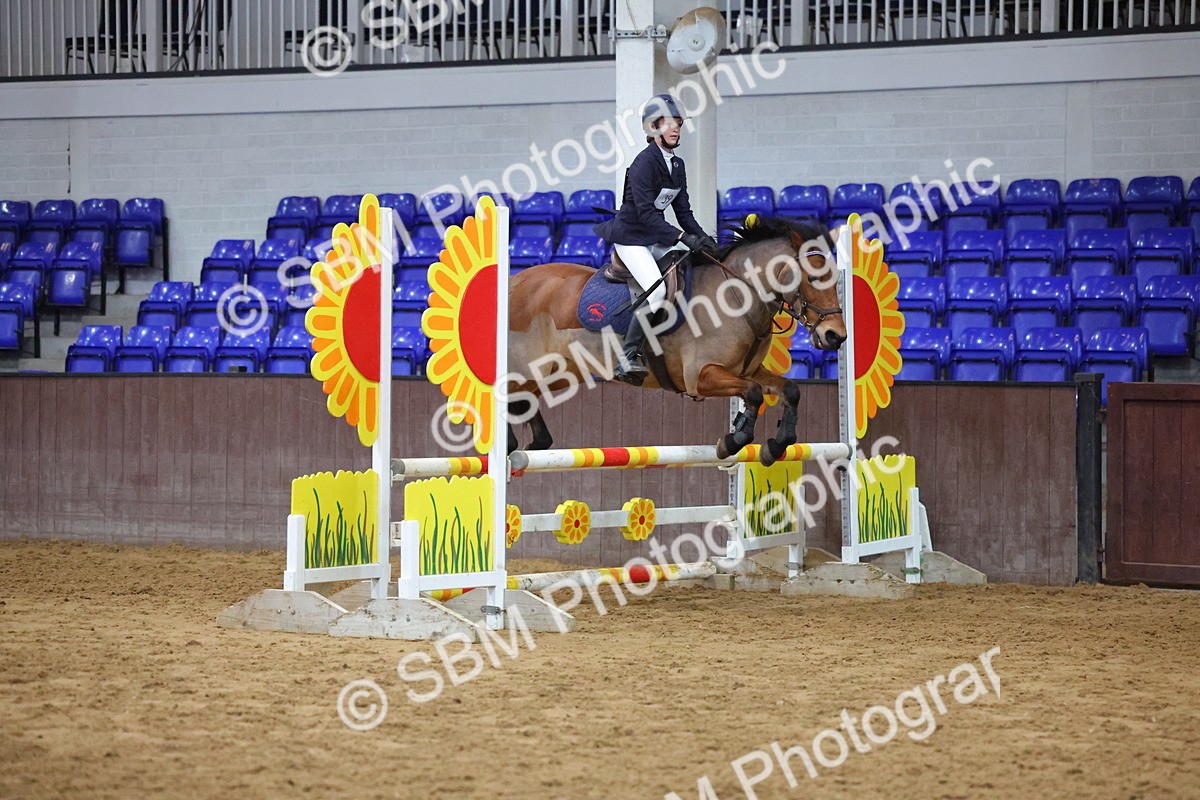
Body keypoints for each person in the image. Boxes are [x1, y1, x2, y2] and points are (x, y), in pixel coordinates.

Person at [594, 94, 719, 385]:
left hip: (654, 237)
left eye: (678, 122)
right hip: (631, 239)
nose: (676, 128)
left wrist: (704, 240)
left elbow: (684, 212)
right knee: (658, 292)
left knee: (693, 270)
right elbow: (648, 215)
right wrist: (683, 237)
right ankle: (628, 356)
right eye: (669, 123)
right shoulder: (643, 164)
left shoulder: (678, 165)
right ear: (653, 128)